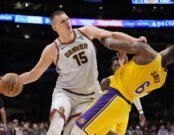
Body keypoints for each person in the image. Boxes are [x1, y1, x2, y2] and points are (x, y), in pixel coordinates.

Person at [18, 10, 146, 135]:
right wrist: (16, 80)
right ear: (54, 27)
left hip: (88, 97)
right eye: (62, 21)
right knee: (56, 126)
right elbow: (33, 74)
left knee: (71, 132)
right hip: (65, 93)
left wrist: (135, 40)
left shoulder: (86, 32)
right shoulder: (52, 49)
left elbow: (113, 35)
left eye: (67, 19)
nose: (67, 22)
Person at [74, 38, 174, 135]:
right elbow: (137, 90)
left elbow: (111, 44)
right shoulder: (162, 79)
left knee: (78, 130)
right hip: (124, 108)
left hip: (114, 97)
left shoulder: (149, 53)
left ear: (168, 47)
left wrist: (100, 35)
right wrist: (124, 66)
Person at [100, 53, 145, 135]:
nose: (117, 67)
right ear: (112, 67)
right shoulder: (106, 81)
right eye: (115, 65)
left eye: (119, 65)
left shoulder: (128, 81)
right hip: (111, 113)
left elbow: (134, 96)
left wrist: (141, 112)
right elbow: (97, 98)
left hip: (124, 115)